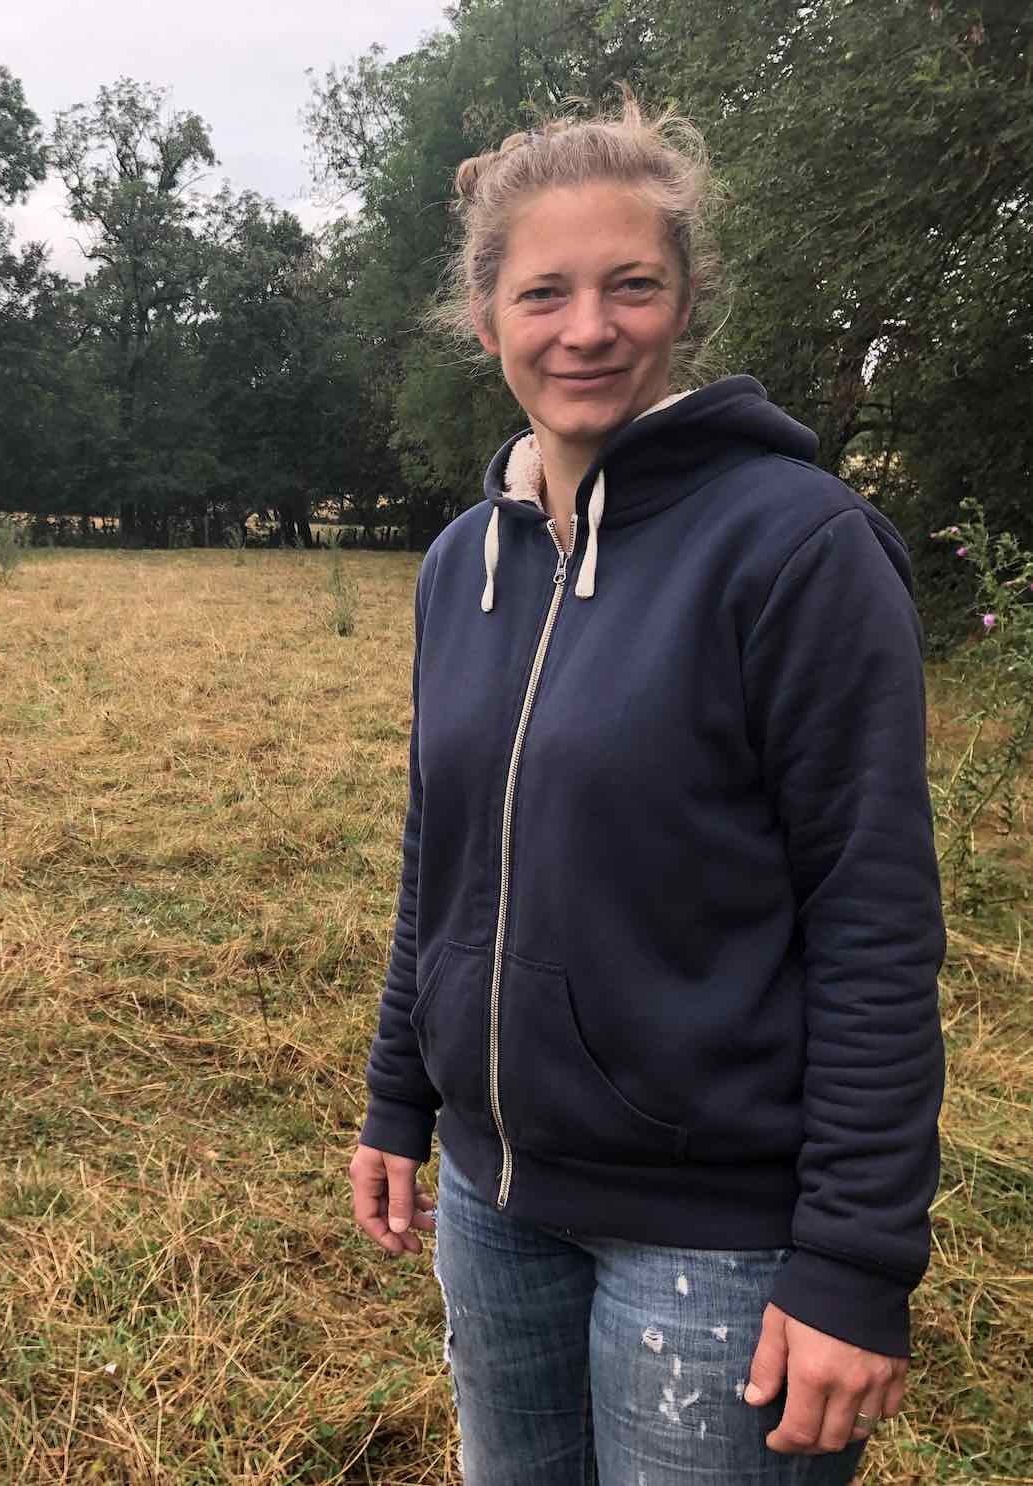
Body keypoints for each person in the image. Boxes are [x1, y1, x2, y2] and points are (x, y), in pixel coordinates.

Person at [348, 94, 945, 1484]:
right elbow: (443, 843)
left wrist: (853, 1258)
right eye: (541, 291)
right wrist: (398, 1096)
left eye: (632, 285)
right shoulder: (461, 563)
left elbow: (870, 916)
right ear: (483, 316)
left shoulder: (796, 546)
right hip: (494, 1204)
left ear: (682, 306)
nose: (586, 328)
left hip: (719, 1234)